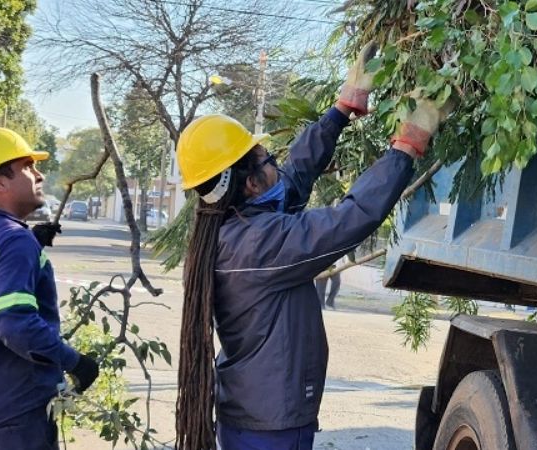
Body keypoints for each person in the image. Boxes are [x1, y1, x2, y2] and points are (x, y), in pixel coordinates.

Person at [174, 42, 454, 450]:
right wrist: (408, 143)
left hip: (257, 416)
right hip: (270, 427)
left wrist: (341, 110)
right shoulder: (258, 245)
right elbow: (350, 218)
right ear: (249, 183)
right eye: (268, 158)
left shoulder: (233, 228)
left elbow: (295, 176)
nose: (276, 163)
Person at [0, 127, 99, 450]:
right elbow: (13, 321)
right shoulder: (12, 240)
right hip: (15, 416)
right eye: (27, 167)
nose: (40, 175)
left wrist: (30, 241)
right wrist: (74, 362)